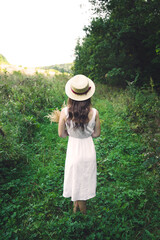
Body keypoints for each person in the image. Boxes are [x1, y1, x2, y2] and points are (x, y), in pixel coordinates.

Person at [58, 74, 101, 214]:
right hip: (88, 149)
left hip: (74, 150)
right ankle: (79, 209)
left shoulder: (65, 112)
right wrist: (87, 134)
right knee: (84, 178)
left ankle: (82, 215)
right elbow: (96, 134)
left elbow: (61, 134)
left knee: (75, 177)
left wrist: (70, 133)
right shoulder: (94, 112)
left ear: (71, 94)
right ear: (88, 94)